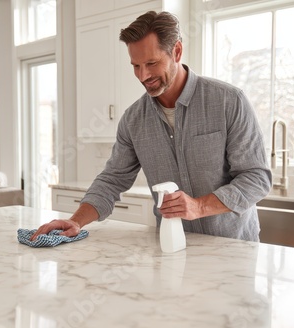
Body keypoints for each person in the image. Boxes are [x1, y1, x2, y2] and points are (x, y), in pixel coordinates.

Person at [31, 11, 272, 242]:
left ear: (176, 51)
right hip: (173, 246)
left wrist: (198, 206)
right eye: (135, 65)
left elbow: (256, 177)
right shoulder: (133, 120)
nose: (143, 75)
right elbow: (112, 180)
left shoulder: (228, 101)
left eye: (152, 63)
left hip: (233, 248)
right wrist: (76, 221)